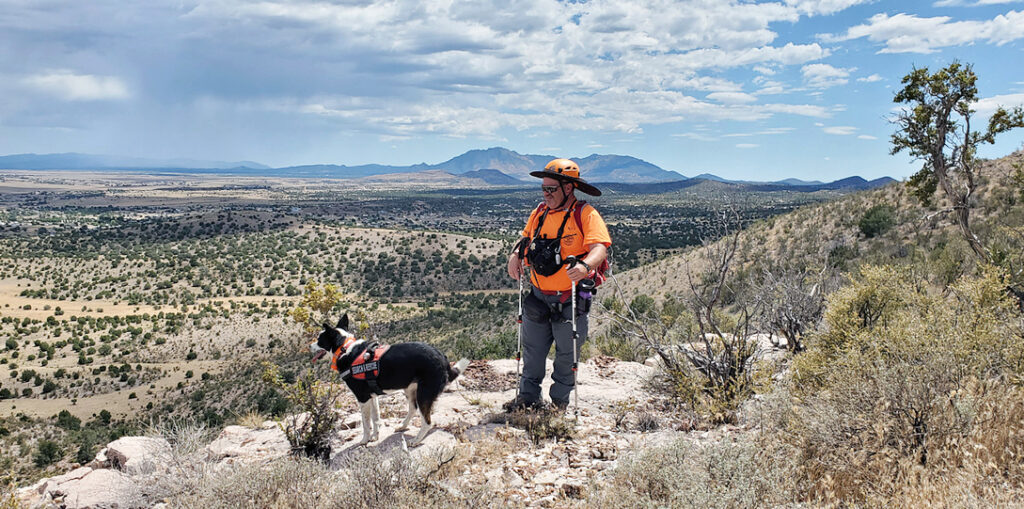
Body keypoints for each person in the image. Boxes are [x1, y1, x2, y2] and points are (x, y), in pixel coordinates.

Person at [505, 158, 611, 412]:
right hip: (539, 296)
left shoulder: (585, 214)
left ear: (568, 188)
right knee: (532, 352)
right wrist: (514, 256)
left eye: (551, 189)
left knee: (566, 355)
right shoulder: (539, 213)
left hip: (570, 298)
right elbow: (524, 240)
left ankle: (559, 404)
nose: (546, 193)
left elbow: (600, 248)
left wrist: (585, 266)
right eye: (544, 188)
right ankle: (528, 399)